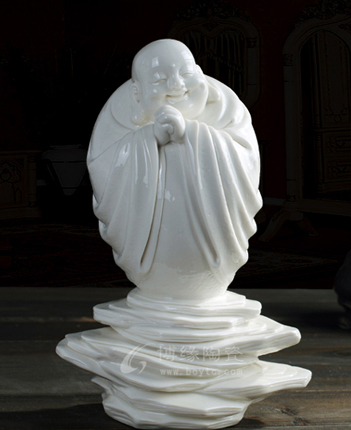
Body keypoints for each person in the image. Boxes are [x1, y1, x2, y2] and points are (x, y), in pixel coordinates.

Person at [87, 39, 262, 300]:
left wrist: (190, 134)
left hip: (213, 243)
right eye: (160, 80)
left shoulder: (228, 110)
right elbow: (103, 166)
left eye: (186, 73)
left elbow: (246, 158)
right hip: (153, 247)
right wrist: (149, 139)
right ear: (137, 94)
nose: (177, 85)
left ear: (200, 73)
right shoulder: (116, 118)